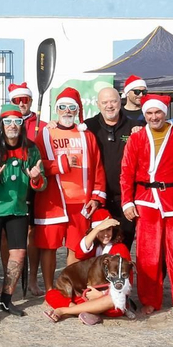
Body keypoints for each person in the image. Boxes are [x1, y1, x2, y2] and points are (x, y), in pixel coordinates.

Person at [119, 94, 173, 315]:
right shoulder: (136, 139)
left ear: (165, 113)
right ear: (144, 115)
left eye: (157, 112)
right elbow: (127, 172)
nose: (153, 117)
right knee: (148, 254)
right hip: (146, 200)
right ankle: (150, 299)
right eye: (149, 113)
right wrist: (127, 202)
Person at [0, 104, 46, 322]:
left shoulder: (31, 149)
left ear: (22, 125)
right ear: (1, 124)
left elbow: (42, 183)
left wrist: (35, 179)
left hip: (18, 208)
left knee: (18, 255)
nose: (13, 125)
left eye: (18, 121)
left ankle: (5, 298)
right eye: (9, 121)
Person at [31, 87, 106, 295]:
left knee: (76, 248)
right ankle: (49, 288)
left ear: (77, 110)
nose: (66, 111)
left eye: (71, 107)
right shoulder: (45, 133)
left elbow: (98, 167)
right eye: (62, 107)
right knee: (49, 247)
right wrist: (60, 164)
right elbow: (35, 164)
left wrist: (96, 197)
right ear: (56, 110)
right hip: (52, 201)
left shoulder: (87, 136)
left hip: (80, 202)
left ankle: (68, 287)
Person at [85, 85, 141, 248]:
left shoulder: (134, 127)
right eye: (105, 102)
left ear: (120, 102)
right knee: (98, 249)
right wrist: (52, 124)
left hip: (125, 199)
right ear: (98, 104)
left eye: (113, 101)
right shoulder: (88, 127)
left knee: (123, 245)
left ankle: (122, 274)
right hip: (98, 199)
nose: (109, 105)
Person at [42, 243, 135, 324]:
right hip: (83, 294)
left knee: (114, 301)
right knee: (51, 294)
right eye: (101, 231)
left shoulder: (119, 248)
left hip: (106, 300)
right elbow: (78, 252)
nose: (105, 234)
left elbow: (126, 287)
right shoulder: (91, 245)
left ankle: (65, 310)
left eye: (109, 230)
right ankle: (86, 312)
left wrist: (101, 294)